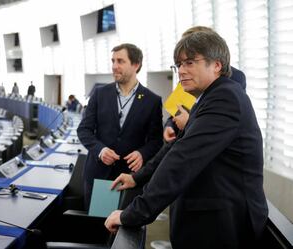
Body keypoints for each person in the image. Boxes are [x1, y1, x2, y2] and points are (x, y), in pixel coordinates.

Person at [104, 31, 268, 249]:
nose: (181, 71)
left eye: (190, 62)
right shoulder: (208, 97)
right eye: (179, 64)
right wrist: (137, 178)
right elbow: (177, 147)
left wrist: (134, 213)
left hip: (222, 226)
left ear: (216, 65)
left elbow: (182, 159)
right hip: (209, 220)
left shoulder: (225, 98)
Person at [77, 43, 164, 209]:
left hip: (129, 178)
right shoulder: (100, 93)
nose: (114, 66)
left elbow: (156, 140)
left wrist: (142, 153)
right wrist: (100, 150)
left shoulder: (152, 100)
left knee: (124, 231)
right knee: (99, 225)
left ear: (136, 65)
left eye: (120, 61)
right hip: (100, 173)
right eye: (113, 61)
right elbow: (84, 130)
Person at [164, 26, 247, 143]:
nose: (182, 69)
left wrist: (189, 123)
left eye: (190, 60)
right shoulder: (188, 77)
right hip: (182, 140)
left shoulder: (234, 79)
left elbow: (221, 121)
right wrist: (170, 126)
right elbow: (177, 109)